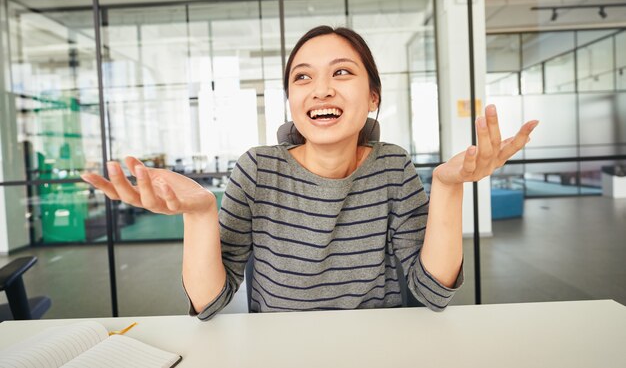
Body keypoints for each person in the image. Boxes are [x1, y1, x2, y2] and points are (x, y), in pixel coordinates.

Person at [81, 25, 538, 320]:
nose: (320, 89)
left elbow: (431, 293)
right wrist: (200, 214)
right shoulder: (257, 170)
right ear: (291, 99)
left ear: (373, 96)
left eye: (341, 72)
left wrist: (447, 185)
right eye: (302, 77)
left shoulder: (393, 166)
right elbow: (209, 304)